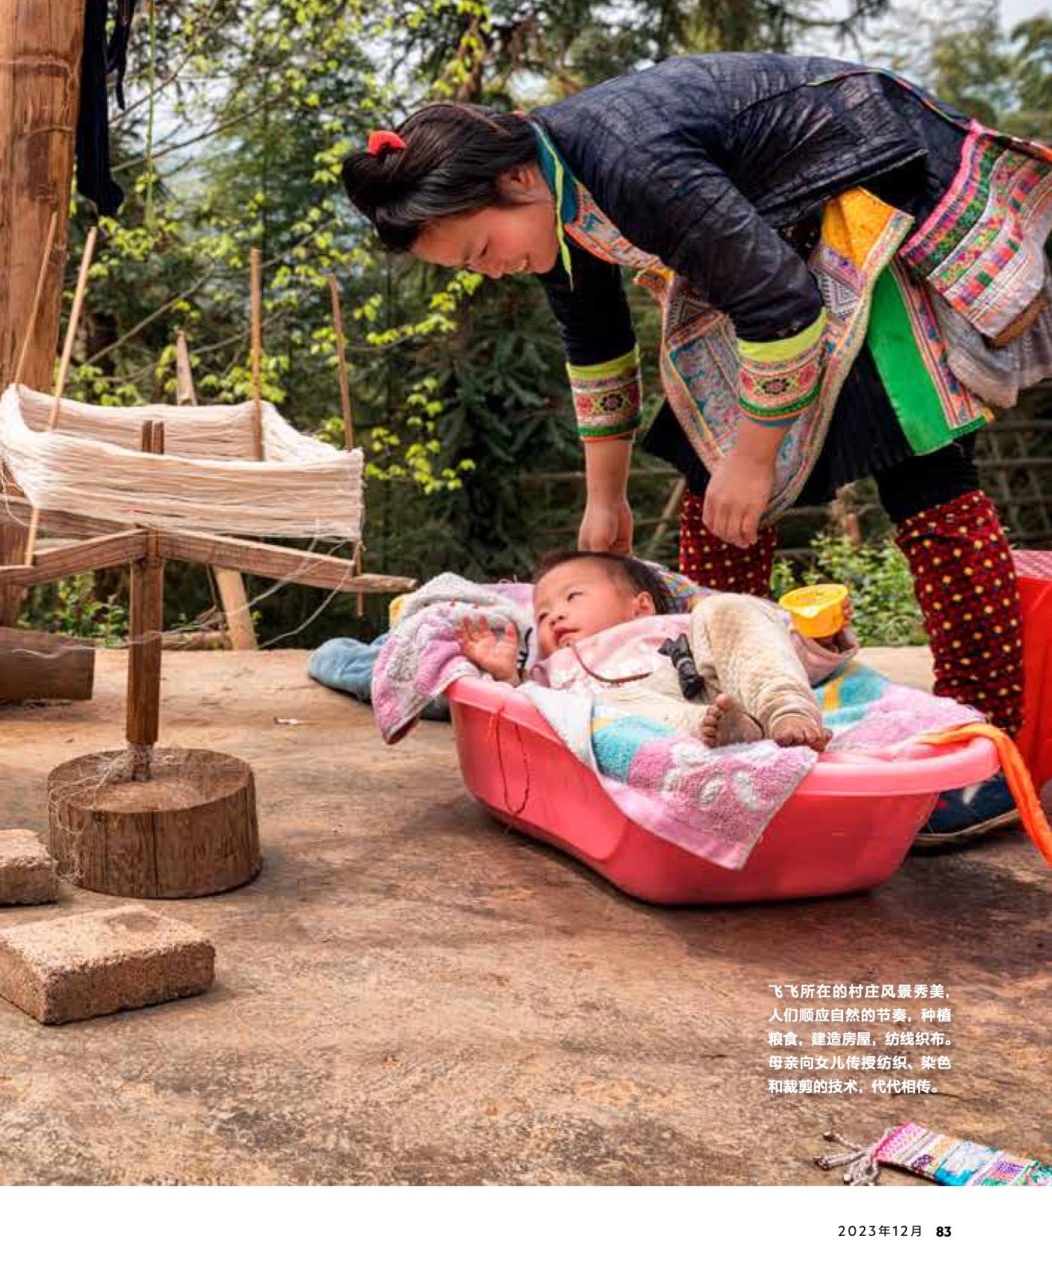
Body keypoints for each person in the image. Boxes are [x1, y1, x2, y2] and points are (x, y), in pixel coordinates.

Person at [341, 53, 1051, 844]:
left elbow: (780, 303)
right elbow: (596, 341)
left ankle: (976, 749)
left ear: (514, 181)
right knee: (711, 492)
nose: (496, 270)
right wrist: (603, 500)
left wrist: (750, 459)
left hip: (866, 203)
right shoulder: (555, 202)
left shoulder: (624, 158)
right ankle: (727, 715)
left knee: (922, 467)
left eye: (481, 250)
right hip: (772, 259)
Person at [454, 552, 836, 750]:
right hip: (663, 715)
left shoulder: (676, 624)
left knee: (728, 609)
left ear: (641, 606)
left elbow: (759, 651)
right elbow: (529, 716)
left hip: (716, 681)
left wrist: (821, 635)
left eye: (572, 597)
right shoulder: (553, 670)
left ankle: (786, 710)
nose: (556, 616)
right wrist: (507, 675)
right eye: (543, 614)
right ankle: (727, 733)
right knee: (596, 711)